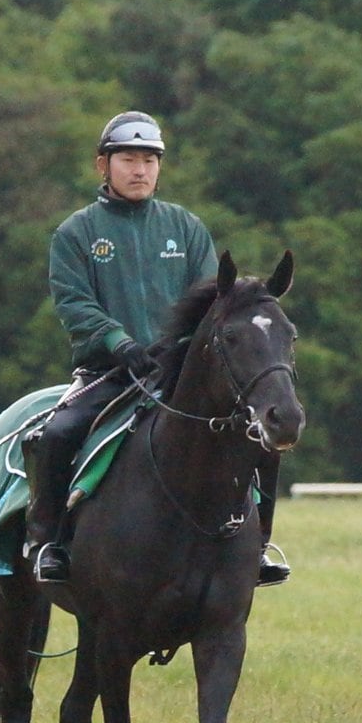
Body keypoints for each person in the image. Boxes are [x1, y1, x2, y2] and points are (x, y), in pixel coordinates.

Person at [25, 110, 289, 586]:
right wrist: (118, 342)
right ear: (102, 166)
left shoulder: (186, 228)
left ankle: (260, 544)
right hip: (109, 373)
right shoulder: (75, 233)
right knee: (58, 433)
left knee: (260, 439)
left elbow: (213, 304)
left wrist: (180, 350)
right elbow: (73, 303)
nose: (140, 169)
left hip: (177, 375)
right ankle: (47, 542)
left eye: (150, 160)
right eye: (128, 158)